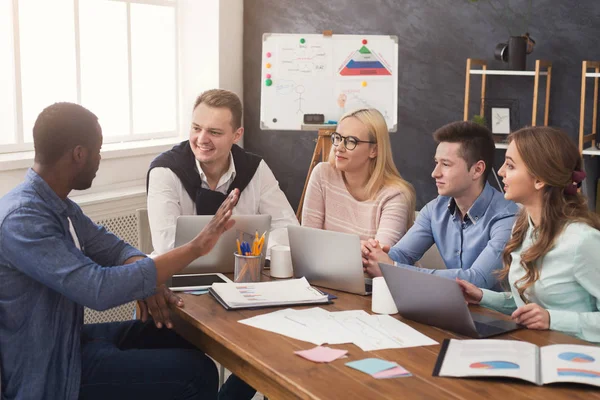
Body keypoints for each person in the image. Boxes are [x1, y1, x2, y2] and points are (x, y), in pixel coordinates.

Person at [0, 102, 242, 399]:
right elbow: (98, 289)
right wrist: (196, 247)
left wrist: (146, 277)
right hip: (51, 368)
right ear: (79, 154)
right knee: (196, 373)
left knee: (182, 335)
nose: (99, 160)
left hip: (72, 341)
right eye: (98, 150)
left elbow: (113, 248)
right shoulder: (23, 219)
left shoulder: (59, 205)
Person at [457, 126, 600, 343]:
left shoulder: (583, 241)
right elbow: (529, 305)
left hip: (581, 361)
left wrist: (553, 320)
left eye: (511, 165)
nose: (501, 171)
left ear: (539, 180)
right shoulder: (523, 227)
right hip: (536, 349)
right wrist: (483, 296)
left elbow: (546, 315)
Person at [363, 121, 518, 289]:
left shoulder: (507, 216)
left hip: (493, 313)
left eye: (445, 164)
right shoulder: (434, 210)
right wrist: (371, 255)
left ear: (477, 170)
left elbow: (477, 279)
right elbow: (400, 254)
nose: (435, 173)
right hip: (449, 306)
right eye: (436, 162)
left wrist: (392, 268)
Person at [147, 88, 298, 257]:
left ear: (236, 135)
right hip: (180, 275)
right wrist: (243, 248)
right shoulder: (165, 171)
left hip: (243, 274)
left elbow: (287, 229)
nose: (202, 139)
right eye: (196, 128)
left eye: (214, 132)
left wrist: (247, 255)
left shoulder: (255, 168)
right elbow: (166, 246)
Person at [301, 108, 415, 247]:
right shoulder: (322, 174)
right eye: (337, 138)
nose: (339, 148)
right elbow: (307, 243)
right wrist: (359, 247)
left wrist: (327, 245)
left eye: (351, 141)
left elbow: (378, 258)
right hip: (329, 269)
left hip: (375, 269)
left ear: (374, 150)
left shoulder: (395, 195)